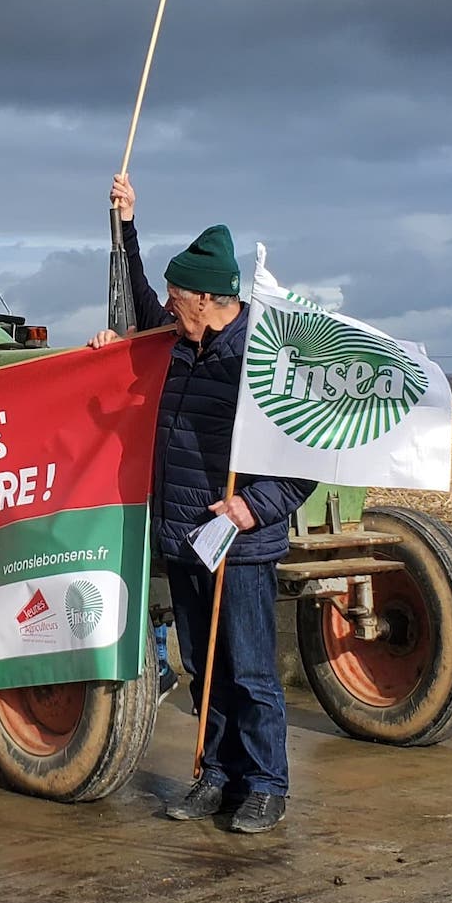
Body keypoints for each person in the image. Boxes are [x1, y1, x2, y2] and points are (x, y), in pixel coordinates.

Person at [87, 173, 314, 833]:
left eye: (177, 294)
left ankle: (267, 782)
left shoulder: (261, 358)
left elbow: (308, 455)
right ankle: (215, 775)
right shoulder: (174, 340)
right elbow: (134, 301)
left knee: (248, 667)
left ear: (211, 298)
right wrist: (125, 225)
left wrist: (256, 505)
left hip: (239, 539)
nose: (167, 303)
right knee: (201, 665)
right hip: (185, 533)